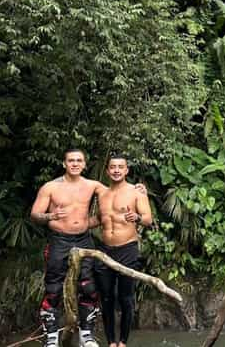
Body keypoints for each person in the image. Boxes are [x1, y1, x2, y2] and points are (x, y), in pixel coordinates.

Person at [30, 149, 106, 347]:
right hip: (59, 240)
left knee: (88, 286)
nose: (75, 164)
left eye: (79, 160)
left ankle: (86, 335)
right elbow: (35, 214)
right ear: (64, 163)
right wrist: (50, 216)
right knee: (53, 288)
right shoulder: (50, 187)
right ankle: (52, 337)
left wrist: (137, 190)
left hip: (84, 239)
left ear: (84, 164)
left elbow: (117, 194)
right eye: (71, 160)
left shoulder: (93, 185)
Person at [90, 154, 152, 347]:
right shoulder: (102, 193)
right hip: (105, 250)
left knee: (126, 298)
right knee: (107, 298)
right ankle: (111, 342)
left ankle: (123, 342)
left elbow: (148, 219)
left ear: (126, 170)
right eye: (113, 167)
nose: (116, 170)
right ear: (108, 170)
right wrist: (73, 224)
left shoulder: (136, 192)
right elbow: (98, 220)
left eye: (120, 167)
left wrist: (137, 217)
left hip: (127, 249)